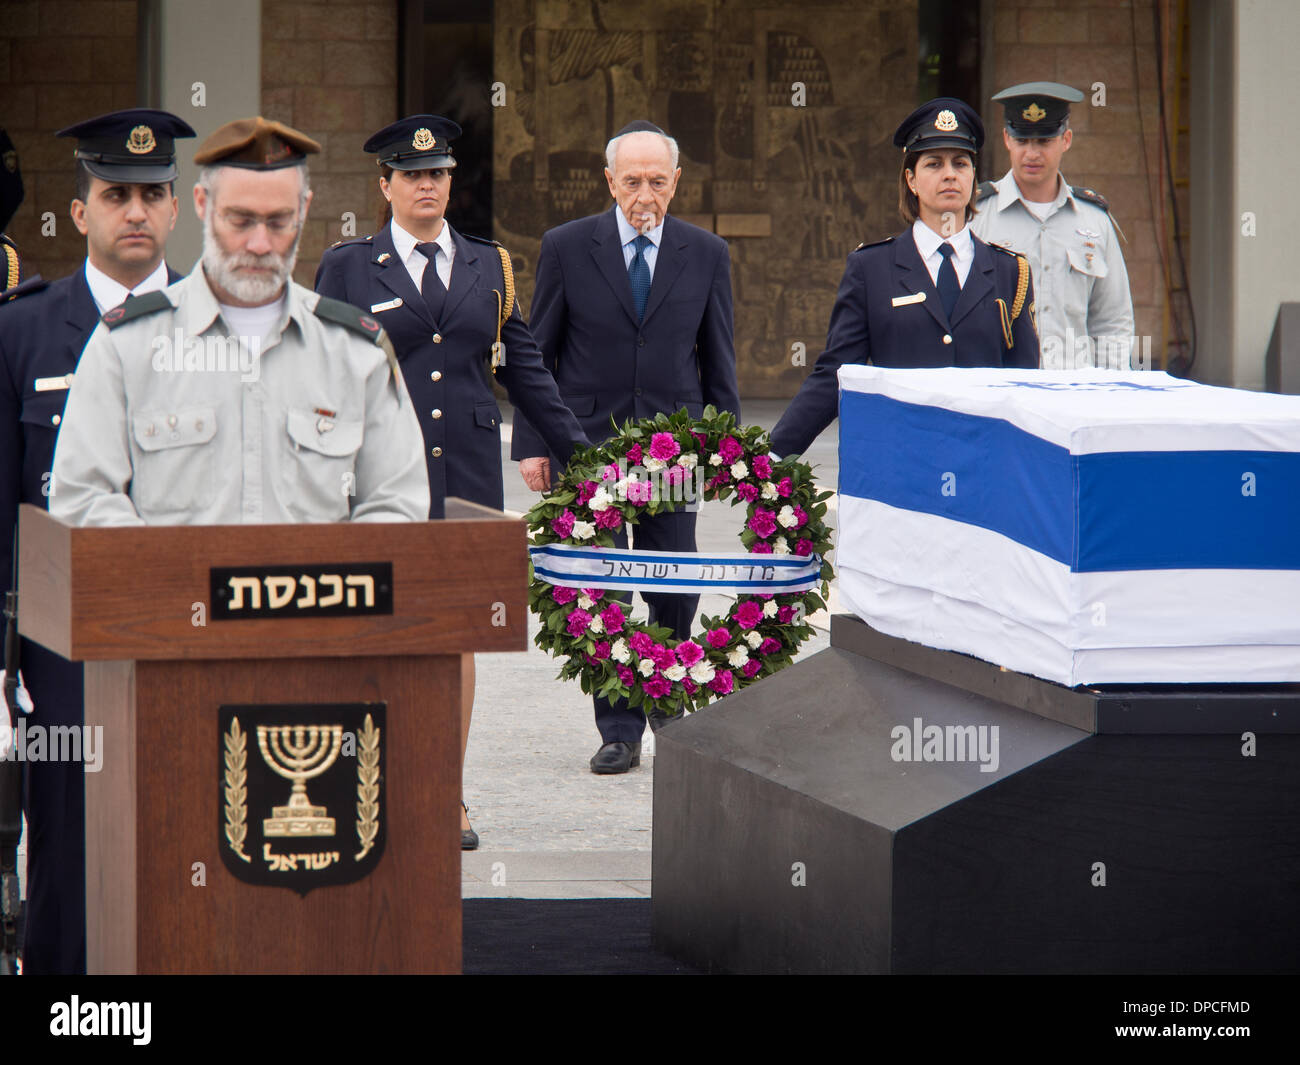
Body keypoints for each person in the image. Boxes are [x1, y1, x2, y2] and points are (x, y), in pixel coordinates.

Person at [314, 114, 590, 844]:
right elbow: (318, 376)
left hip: (467, 481)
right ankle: (370, 792)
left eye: (437, 174)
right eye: (412, 175)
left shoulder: (487, 265)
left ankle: (446, 793)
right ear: (386, 185)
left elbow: (521, 366)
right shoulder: (346, 266)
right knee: (379, 637)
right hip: (376, 479)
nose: (427, 185)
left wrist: (587, 455)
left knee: (456, 641)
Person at [0, 107, 194, 974]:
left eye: (153, 194)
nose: (136, 212)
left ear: (178, 207)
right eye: (116, 194)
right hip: (65, 638)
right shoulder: (22, 329)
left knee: (191, 817)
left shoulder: (228, 327)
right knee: (70, 828)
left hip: (194, 626)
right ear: (78, 212)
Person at [50, 114, 429, 531]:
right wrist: (176, 581)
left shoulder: (355, 351)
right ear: (201, 204)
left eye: (278, 221)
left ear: (304, 209)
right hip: (171, 594)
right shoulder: (126, 345)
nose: (260, 243)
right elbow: (83, 501)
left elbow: (398, 505)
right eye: (241, 220)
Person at [511, 119, 740, 775]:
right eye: (633, 180)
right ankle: (617, 727)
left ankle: (666, 704)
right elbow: (537, 352)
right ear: (610, 182)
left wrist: (725, 450)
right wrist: (534, 441)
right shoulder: (565, 246)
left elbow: (718, 361)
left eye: (658, 181)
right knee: (602, 590)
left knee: (675, 582)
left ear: (676, 184)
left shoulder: (707, 253)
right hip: (588, 449)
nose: (646, 192)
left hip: (675, 454)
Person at [770, 98, 1040, 460]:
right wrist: (771, 455)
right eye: (934, 163)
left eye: (961, 163)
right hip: (901, 464)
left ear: (974, 177)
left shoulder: (1010, 271)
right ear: (911, 179)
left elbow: (1024, 383)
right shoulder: (872, 268)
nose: (950, 174)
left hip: (984, 464)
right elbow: (836, 373)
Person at [970, 82, 1134, 369]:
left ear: (1066, 140)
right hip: (999, 391)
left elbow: (1112, 321)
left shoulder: (1094, 220)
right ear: (1007, 138)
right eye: (1022, 141)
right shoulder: (976, 215)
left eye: (1044, 141)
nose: (1032, 154)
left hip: (1073, 395)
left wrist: (1111, 393)